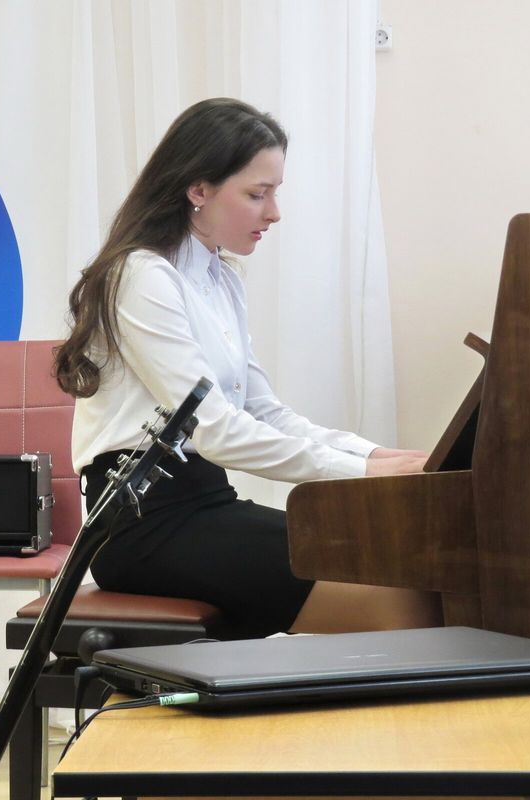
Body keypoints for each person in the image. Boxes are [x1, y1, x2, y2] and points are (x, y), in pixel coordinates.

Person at [54, 98, 436, 638]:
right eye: (258, 194)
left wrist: (375, 455)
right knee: (393, 594)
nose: (274, 212)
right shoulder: (140, 276)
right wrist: (363, 476)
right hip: (145, 527)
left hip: (207, 505)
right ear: (198, 189)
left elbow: (263, 412)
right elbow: (216, 430)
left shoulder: (221, 279)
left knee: (402, 566)